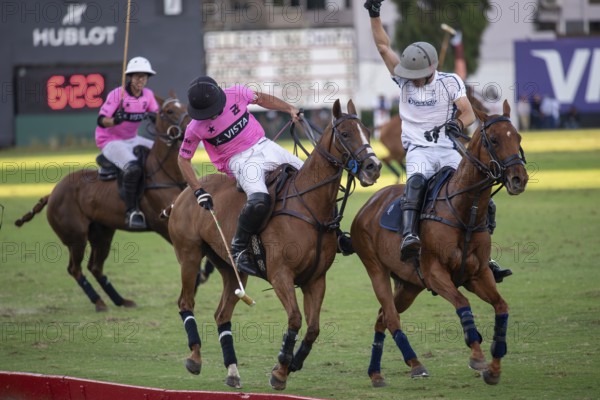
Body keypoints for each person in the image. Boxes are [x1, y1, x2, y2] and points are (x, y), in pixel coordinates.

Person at [364, 0, 512, 283]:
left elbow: (468, 112)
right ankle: (409, 236)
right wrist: (374, 14)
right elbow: (383, 47)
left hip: (448, 148)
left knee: (482, 195)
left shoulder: (450, 81)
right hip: (419, 149)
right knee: (416, 183)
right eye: (412, 76)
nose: (415, 81)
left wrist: (454, 124)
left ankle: (483, 255)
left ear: (432, 68)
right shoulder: (403, 79)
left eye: (420, 76)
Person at [178, 76, 353, 277]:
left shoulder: (236, 93)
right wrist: (198, 190)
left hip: (265, 145)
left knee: (317, 181)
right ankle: (240, 246)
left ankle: (336, 233)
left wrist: (289, 108)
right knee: (260, 200)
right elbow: (183, 159)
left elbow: (260, 99)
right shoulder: (195, 128)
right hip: (239, 161)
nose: (212, 114)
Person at [95, 56, 159, 230]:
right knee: (133, 168)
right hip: (110, 140)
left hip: (132, 138)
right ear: (130, 77)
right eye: (137, 76)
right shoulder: (117, 95)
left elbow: (156, 115)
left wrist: (155, 117)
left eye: (144, 76)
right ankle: (132, 211)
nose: (141, 80)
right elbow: (101, 120)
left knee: (161, 154)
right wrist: (115, 120)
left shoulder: (148, 95)